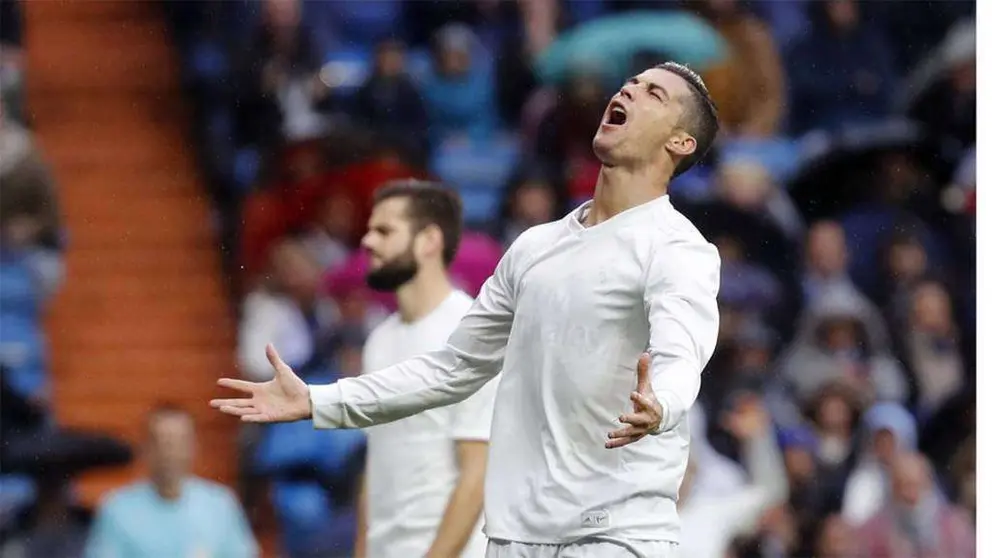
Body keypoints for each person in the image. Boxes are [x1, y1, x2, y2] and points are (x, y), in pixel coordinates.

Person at [212, 61, 721, 557]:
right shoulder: (534, 247)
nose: (629, 91)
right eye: (630, 82)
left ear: (680, 142)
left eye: (654, 93)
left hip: (617, 532)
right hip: (515, 535)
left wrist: (663, 405)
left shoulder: (677, 248)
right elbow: (452, 367)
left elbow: (681, 353)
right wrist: (318, 401)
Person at [352, 180, 499, 558]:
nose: (367, 241)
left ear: (429, 240)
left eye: (384, 230)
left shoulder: (471, 334)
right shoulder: (378, 341)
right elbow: (376, 463)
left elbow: (477, 475)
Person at [85, 405, 257, 558]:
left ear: (193, 446)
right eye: (161, 442)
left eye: (178, 442)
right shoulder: (117, 509)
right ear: (145, 448)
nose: (169, 452)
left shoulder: (221, 504)